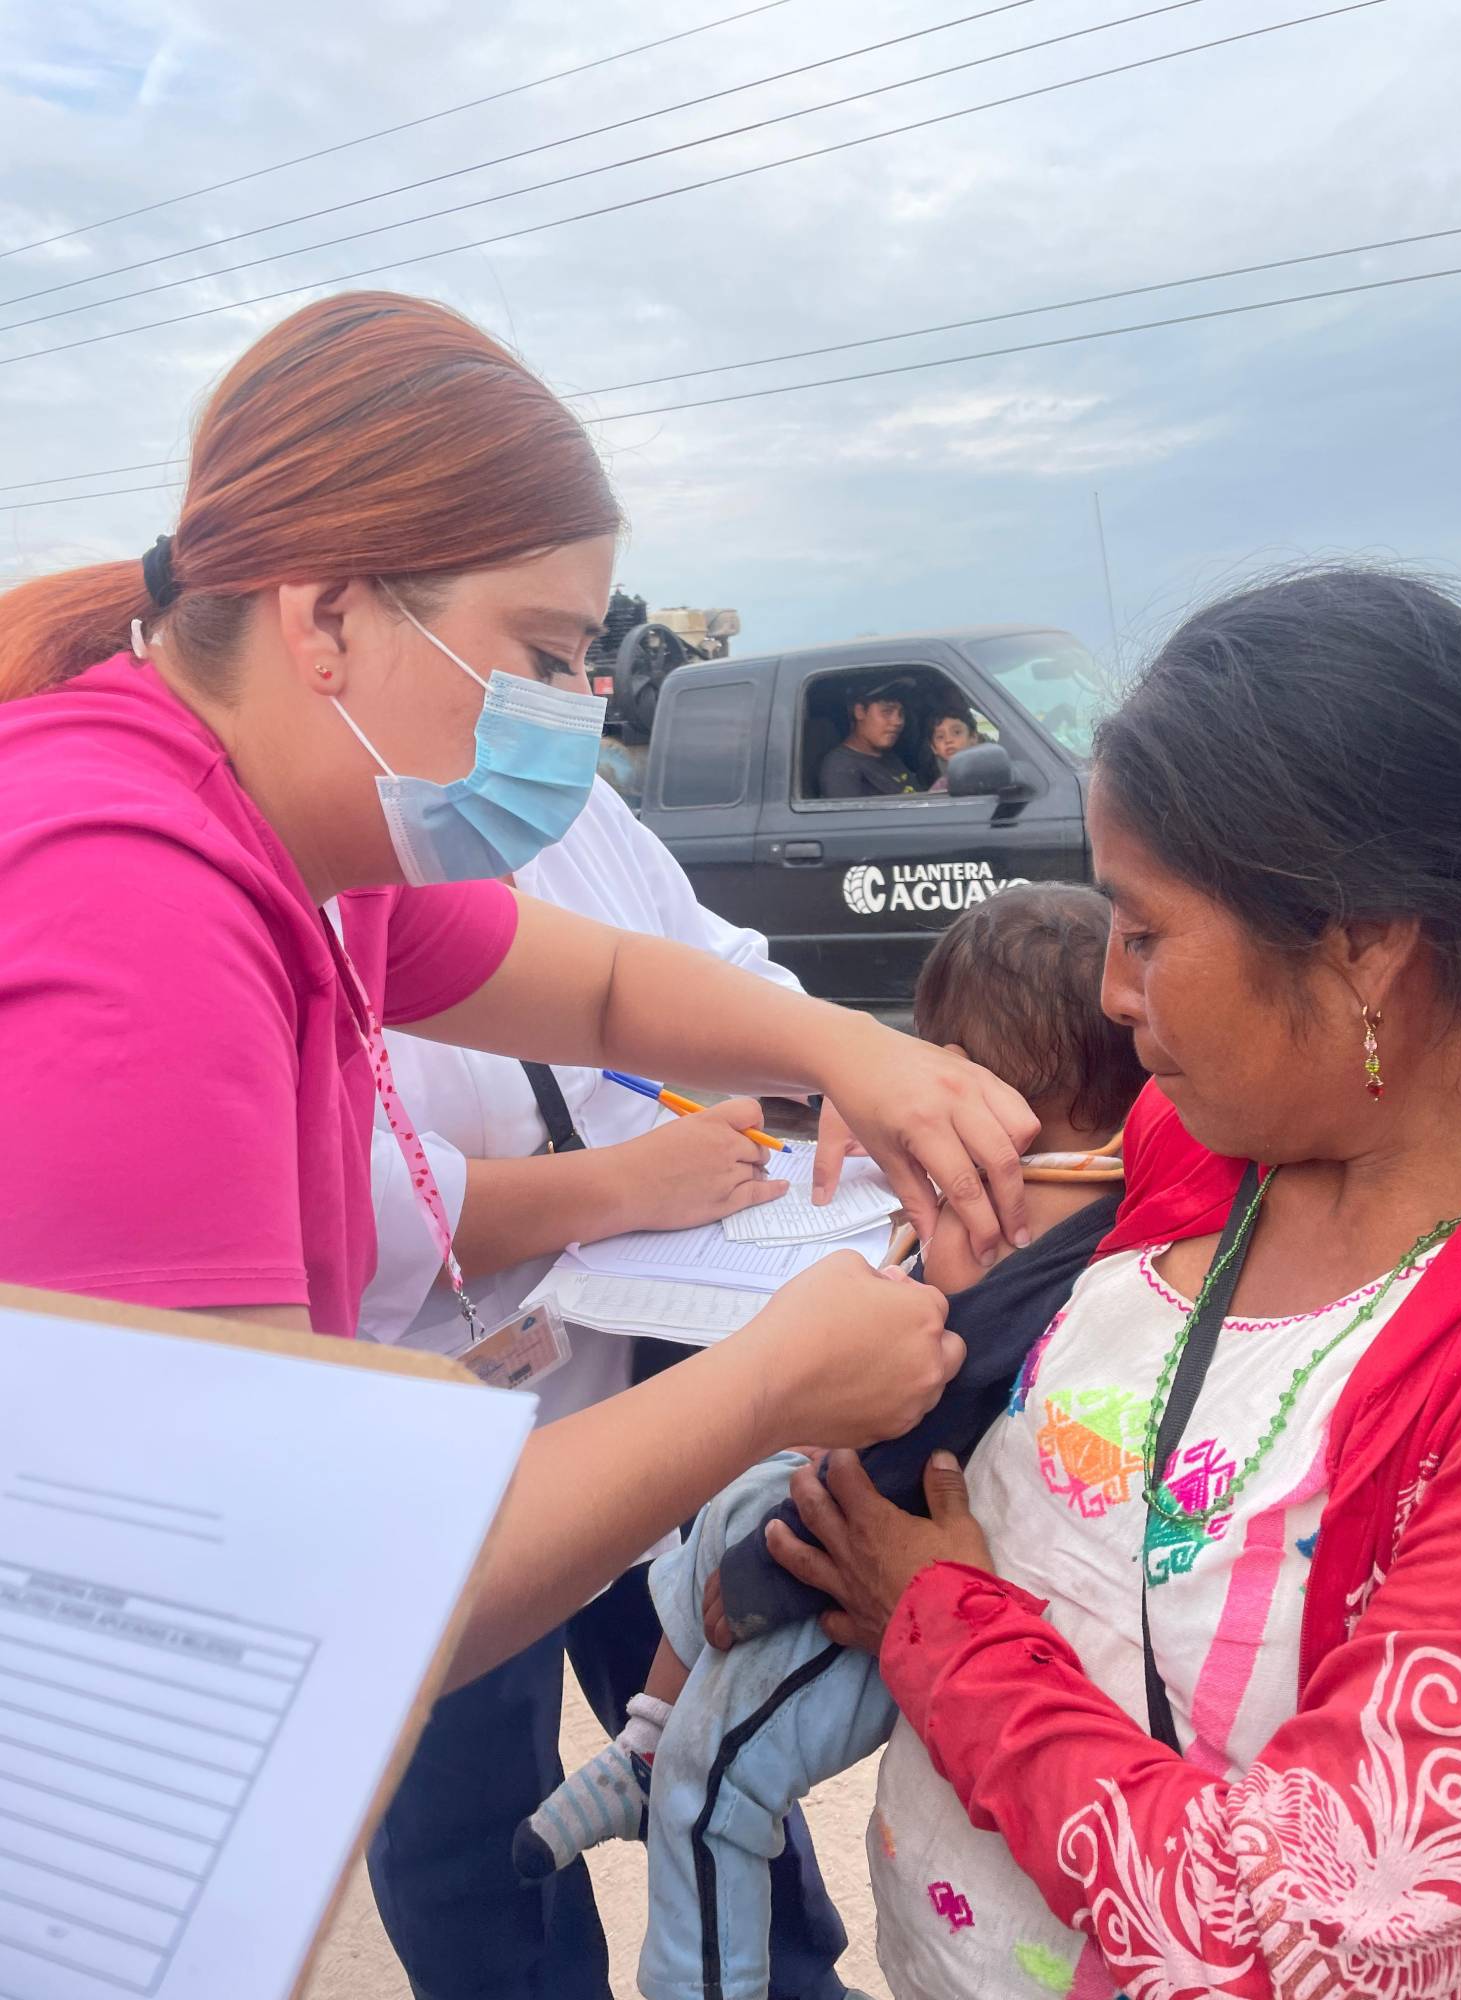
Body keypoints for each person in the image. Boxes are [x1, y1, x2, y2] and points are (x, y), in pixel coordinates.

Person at [0, 288, 1046, 1702]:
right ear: (326, 617)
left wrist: (857, 1054)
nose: (578, 703)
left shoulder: (315, 844)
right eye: (544, 654)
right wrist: (761, 1391)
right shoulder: (126, 891)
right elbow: (285, 1587)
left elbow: (608, 986)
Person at [762, 568, 1461, 2000]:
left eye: (1147, 933)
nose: (1112, 992)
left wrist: (941, 1625)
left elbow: (1281, 1934)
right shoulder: (1206, 1135)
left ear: (1364, 947)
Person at [515, 885, 1147, 2000]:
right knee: (711, 1507)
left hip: (884, 1554)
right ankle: (647, 1735)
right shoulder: (1068, 1181)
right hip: (880, 1513)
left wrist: (759, 1568)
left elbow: (928, 1416)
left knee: (719, 1782)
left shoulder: (1044, 1231)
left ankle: (695, 1955)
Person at [358, 773, 847, 2000]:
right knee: (468, 1812)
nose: (572, 699)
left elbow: (698, 964)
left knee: (719, 1725)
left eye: (584, 651)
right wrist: (625, 1185)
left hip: (650, 1358)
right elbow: (331, 1198)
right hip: (428, 1419)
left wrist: (828, 1060)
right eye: (540, 646)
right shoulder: (301, 860)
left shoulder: (564, 801)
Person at [817, 677, 919, 797]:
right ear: (860, 712)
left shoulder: (888, 756)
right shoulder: (841, 770)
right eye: (887, 711)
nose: (898, 721)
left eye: (901, 714)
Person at [926, 703, 981, 791]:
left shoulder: (986, 774)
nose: (948, 740)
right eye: (940, 737)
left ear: (973, 737)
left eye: (956, 732)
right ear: (934, 748)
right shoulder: (940, 787)